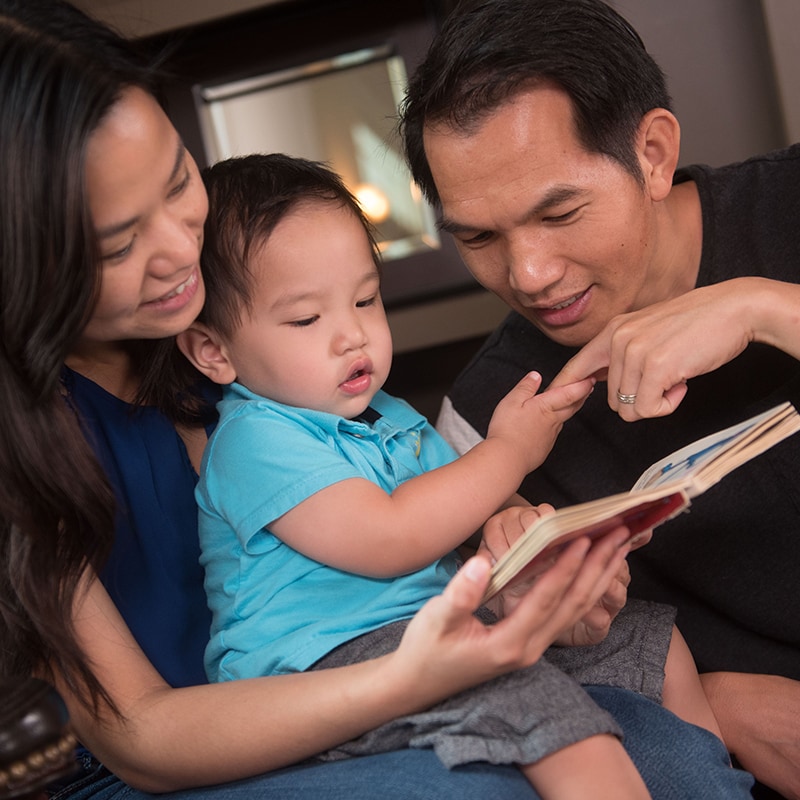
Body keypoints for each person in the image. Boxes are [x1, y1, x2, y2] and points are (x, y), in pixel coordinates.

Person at [0, 1, 744, 799]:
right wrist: (427, 669)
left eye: (179, 181)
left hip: (402, 652)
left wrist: (518, 567)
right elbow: (143, 736)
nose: (183, 249)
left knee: (661, 745)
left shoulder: (299, 373)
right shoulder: (89, 427)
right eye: (119, 241)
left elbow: (440, 523)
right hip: (204, 737)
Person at [178, 152, 742, 799]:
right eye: (307, 319)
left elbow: (474, 518)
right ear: (214, 351)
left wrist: (538, 541)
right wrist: (508, 449)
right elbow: (389, 539)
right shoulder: (254, 438)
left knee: (654, 644)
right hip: (322, 667)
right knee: (535, 700)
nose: (352, 336)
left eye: (365, 299)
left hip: (431, 633)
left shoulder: (388, 416)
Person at [398, 0, 800, 798]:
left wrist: (762, 308)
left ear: (651, 153)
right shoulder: (486, 425)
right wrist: (706, 701)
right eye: (478, 237)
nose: (529, 275)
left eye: (559, 212)